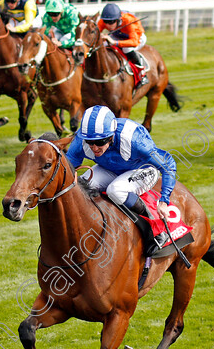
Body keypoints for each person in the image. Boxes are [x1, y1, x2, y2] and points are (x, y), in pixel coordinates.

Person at [65, 105, 177, 246]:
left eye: (100, 142)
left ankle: (155, 229)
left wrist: (164, 201)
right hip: (109, 169)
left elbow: (168, 164)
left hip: (144, 170)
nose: (94, 148)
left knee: (115, 190)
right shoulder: (81, 141)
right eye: (90, 142)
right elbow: (67, 170)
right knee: (80, 188)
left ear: (111, 136)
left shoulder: (135, 141)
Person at [98, 2, 148, 88]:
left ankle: (142, 73)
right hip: (118, 35)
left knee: (127, 49)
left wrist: (115, 43)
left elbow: (134, 42)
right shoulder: (103, 21)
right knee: (103, 45)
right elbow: (96, 34)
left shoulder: (129, 20)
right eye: (106, 22)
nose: (108, 25)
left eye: (111, 22)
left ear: (118, 19)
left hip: (137, 37)